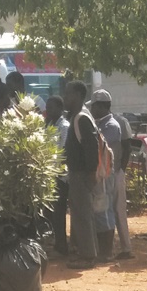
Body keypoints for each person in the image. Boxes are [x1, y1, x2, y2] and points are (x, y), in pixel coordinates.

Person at [90, 90, 133, 260]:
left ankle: (122, 249)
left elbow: (126, 147)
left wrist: (120, 170)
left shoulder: (114, 124)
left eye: (94, 106)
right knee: (106, 209)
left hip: (113, 172)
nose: (92, 110)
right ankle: (113, 249)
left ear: (101, 106)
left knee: (112, 210)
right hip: (108, 172)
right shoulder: (100, 123)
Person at [63, 80, 100, 269]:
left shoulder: (81, 118)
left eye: (68, 94)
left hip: (81, 174)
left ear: (77, 95)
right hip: (79, 173)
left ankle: (88, 256)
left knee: (82, 215)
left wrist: (91, 173)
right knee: (81, 214)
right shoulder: (79, 116)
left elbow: (91, 147)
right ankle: (87, 252)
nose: (65, 97)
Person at [44, 95, 70, 256]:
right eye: (47, 107)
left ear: (60, 109)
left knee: (59, 212)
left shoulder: (64, 126)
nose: (48, 110)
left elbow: (63, 151)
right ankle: (56, 244)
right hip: (49, 175)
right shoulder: (49, 125)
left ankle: (62, 247)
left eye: (51, 107)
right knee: (51, 212)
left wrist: (56, 171)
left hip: (60, 176)